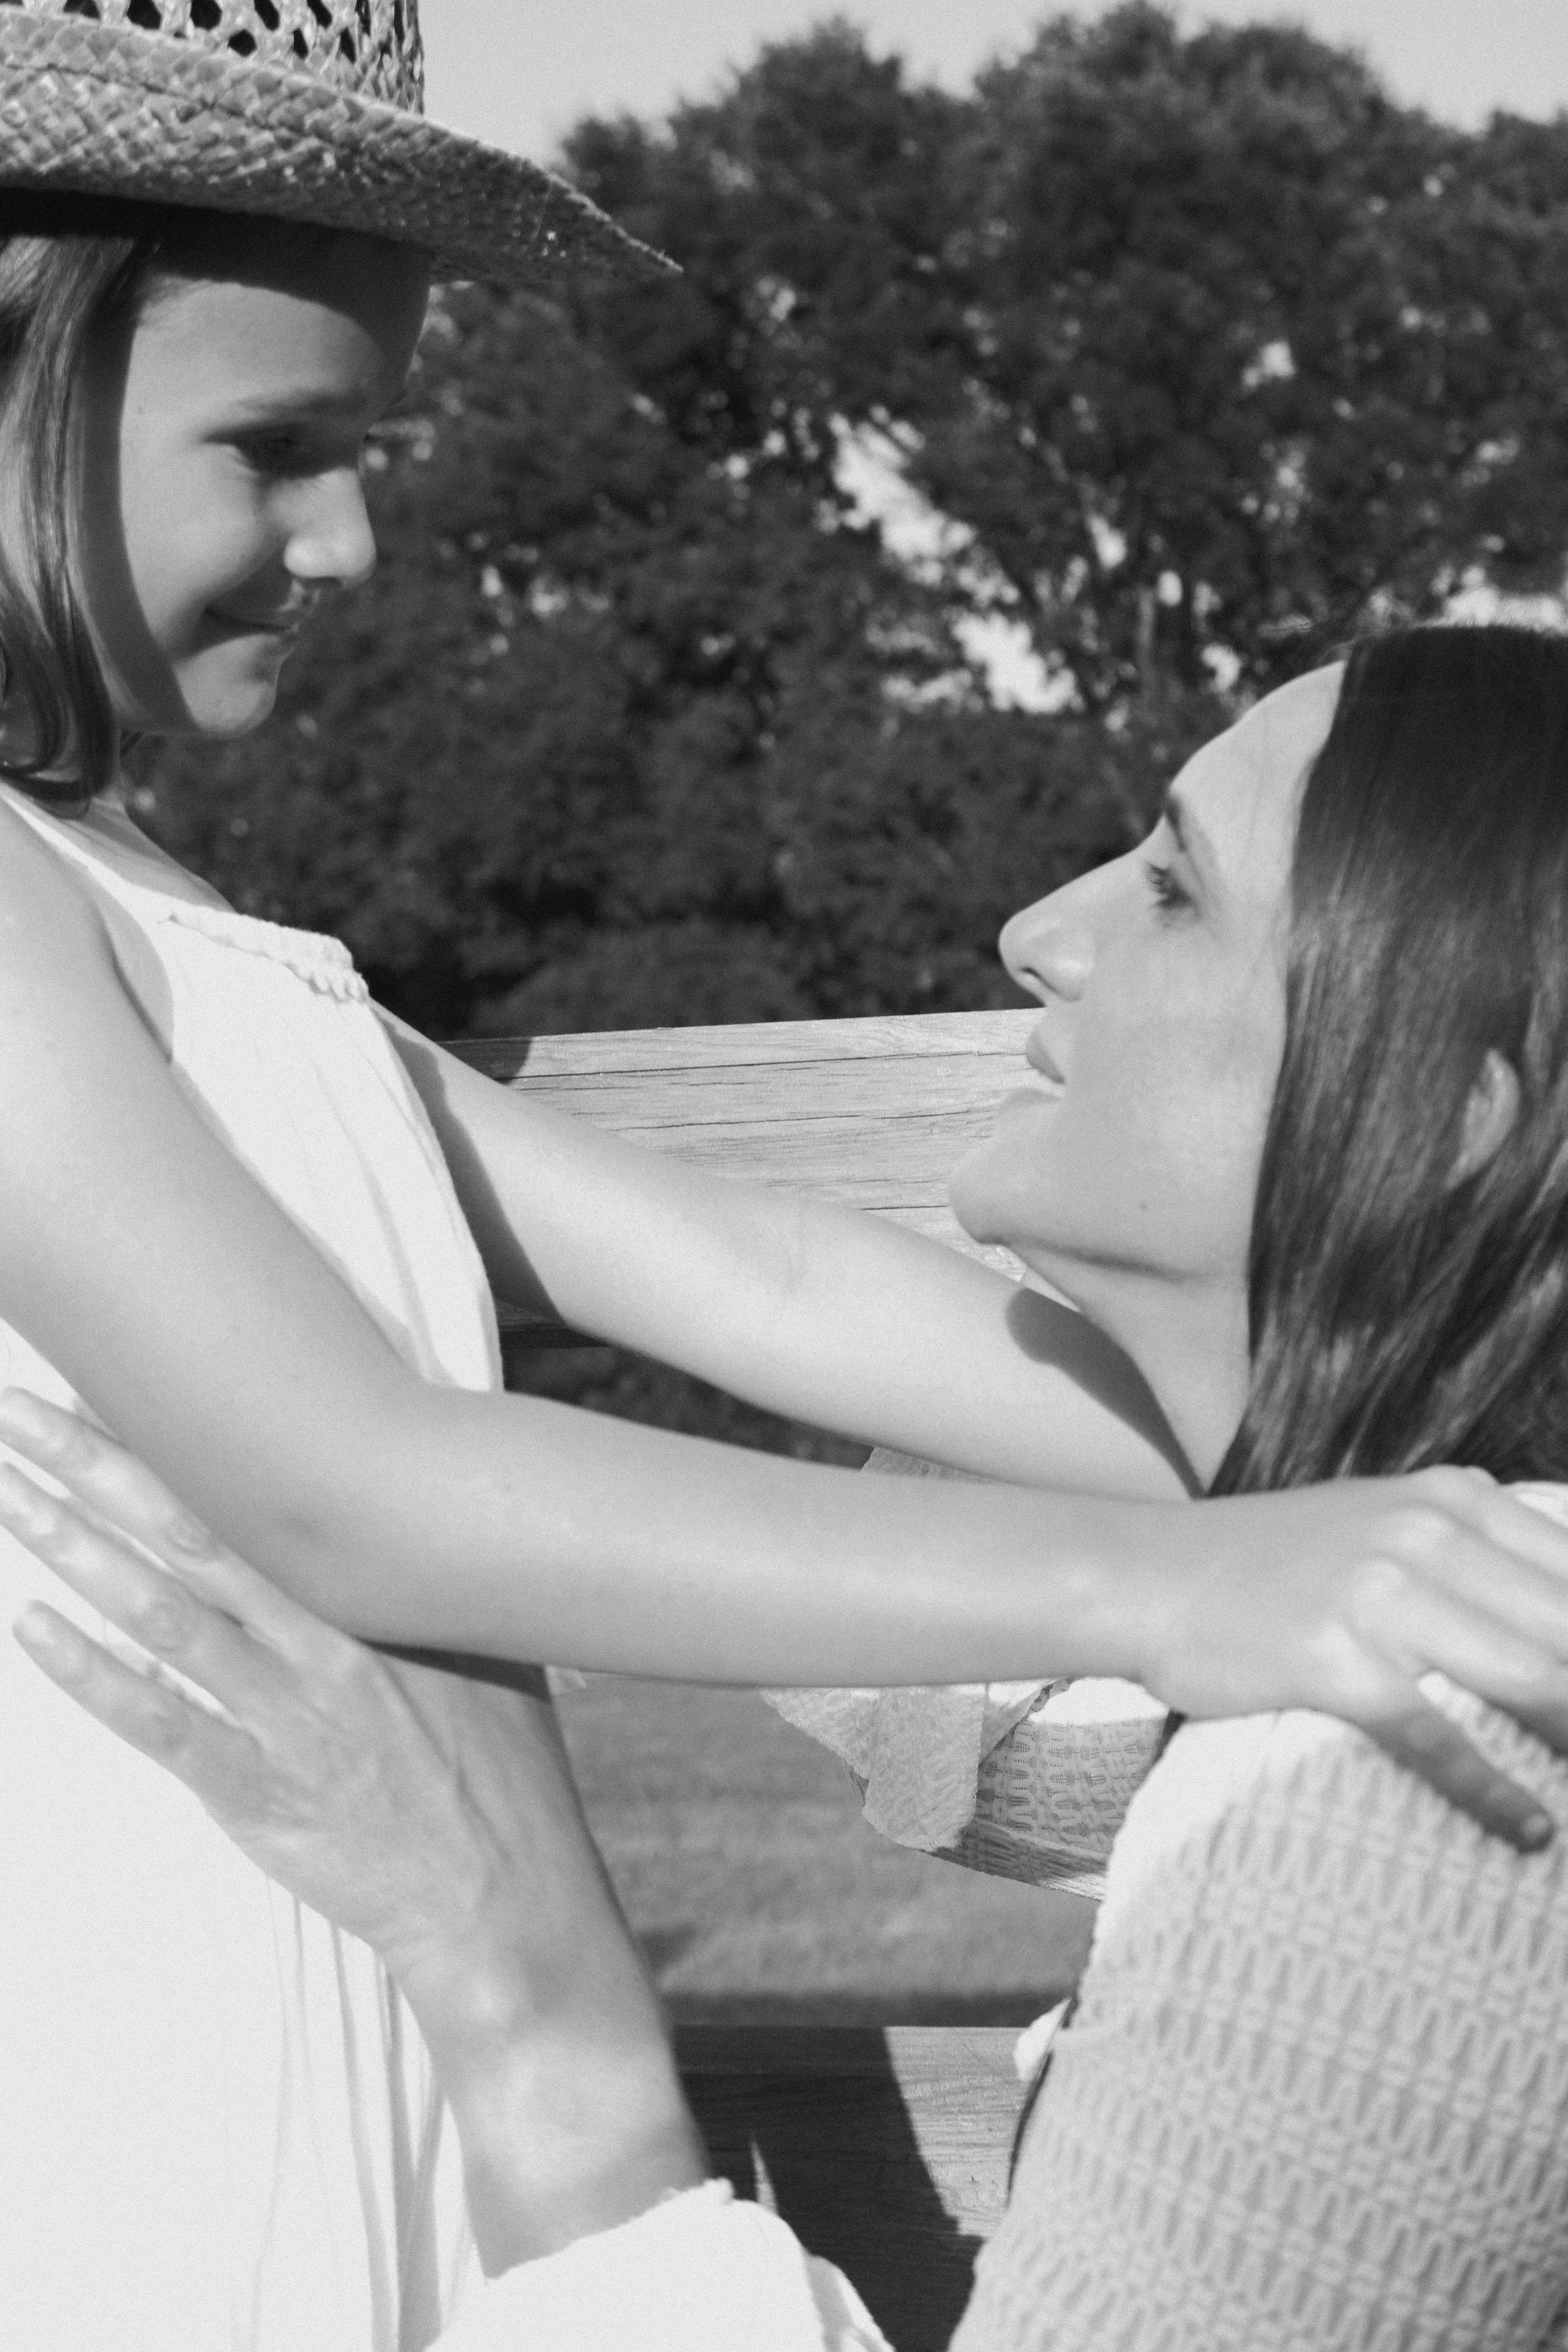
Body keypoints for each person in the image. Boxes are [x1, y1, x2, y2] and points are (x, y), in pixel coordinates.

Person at [4, 0, 1568, 2338]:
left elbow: (775, 1278)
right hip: (167, 2036)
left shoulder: (200, 951)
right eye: (285, 445)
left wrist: (1344, 1493)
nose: (358, 533)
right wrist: (1169, 1595)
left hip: (360, 1988)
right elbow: (350, 1486)